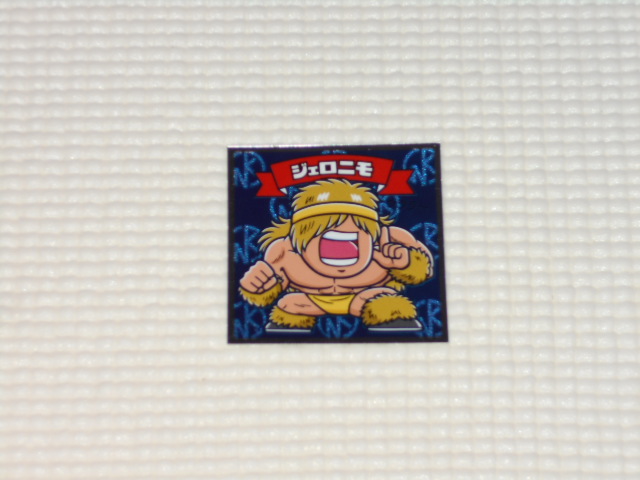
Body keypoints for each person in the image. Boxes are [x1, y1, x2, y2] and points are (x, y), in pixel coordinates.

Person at [239, 179, 434, 332]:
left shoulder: (389, 240)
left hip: (366, 298)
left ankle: (393, 320)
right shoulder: (285, 251)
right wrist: (256, 286)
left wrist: (406, 263)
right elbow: (269, 289)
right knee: (289, 304)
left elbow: (424, 271)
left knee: (386, 303)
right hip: (309, 302)